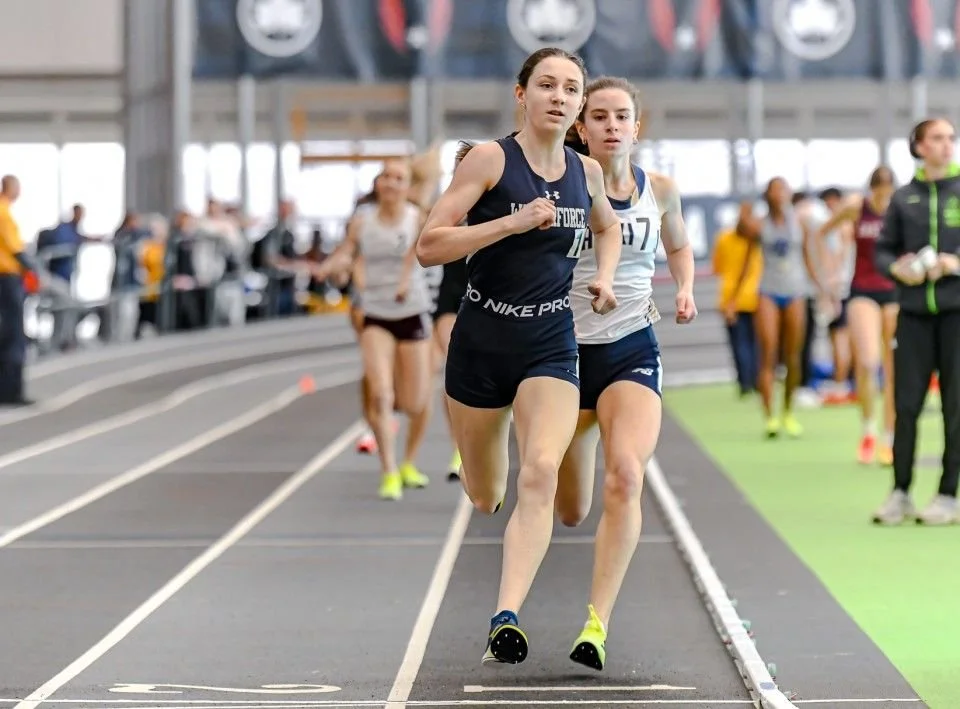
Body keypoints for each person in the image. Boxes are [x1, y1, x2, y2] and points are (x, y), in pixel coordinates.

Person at [416, 47, 622, 664]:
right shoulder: (489, 159)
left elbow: (606, 226)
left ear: (579, 104)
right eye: (547, 85)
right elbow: (429, 246)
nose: (559, 97)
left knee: (539, 471)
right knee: (486, 495)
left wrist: (604, 275)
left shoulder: (586, 172)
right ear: (522, 94)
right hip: (482, 341)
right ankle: (483, 480)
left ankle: (504, 617)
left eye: (571, 88)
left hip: (549, 339)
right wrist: (510, 223)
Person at [553, 76, 696, 671]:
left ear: (637, 127)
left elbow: (678, 245)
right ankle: (579, 438)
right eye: (600, 116)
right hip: (561, 354)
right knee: (570, 510)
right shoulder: (562, 185)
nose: (612, 125)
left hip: (631, 346)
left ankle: (597, 624)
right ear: (581, 128)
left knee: (627, 477)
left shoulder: (660, 189)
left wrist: (684, 288)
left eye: (621, 116)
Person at [317, 159, 433, 499]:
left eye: (398, 178)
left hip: (411, 311)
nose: (391, 183)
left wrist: (406, 280)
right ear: (377, 183)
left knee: (415, 401)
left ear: (408, 187)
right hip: (375, 315)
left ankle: (409, 462)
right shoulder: (362, 222)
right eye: (385, 176)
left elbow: (425, 252)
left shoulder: (417, 218)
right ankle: (389, 471)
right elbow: (346, 253)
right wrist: (335, 267)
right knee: (381, 394)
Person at [873, 118, 960, 526]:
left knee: (955, 408)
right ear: (920, 147)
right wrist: (898, 269)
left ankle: (947, 495)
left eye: (950, 138)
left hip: (956, 317)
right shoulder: (903, 198)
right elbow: (882, 251)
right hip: (912, 318)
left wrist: (953, 264)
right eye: (938, 138)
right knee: (906, 406)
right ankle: (901, 492)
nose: (947, 145)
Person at [815, 167, 897, 465]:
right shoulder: (855, 207)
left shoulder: (900, 209)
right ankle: (868, 430)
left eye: (888, 195)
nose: (883, 200)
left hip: (894, 291)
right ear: (871, 190)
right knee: (868, 361)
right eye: (879, 194)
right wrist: (829, 272)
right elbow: (823, 233)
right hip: (863, 289)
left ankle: (889, 438)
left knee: (893, 368)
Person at [736, 177, 825, 438]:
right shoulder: (760, 224)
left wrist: (821, 287)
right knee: (768, 353)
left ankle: (787, 411)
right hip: (768, 291)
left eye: (784, 189)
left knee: (793, 356)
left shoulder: (799, 223)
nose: (781, 194)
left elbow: (807, 257)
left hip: (796, 290)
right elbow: (745, 252)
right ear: (768, 195)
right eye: (776, 190)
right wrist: (733, 297)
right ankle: (769, 417)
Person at [712, 220, 762, 398]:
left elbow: (717, 267)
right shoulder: (756, 240)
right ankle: (757, 380)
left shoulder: (723, 238)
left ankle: (745, 382)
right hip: (756, 296)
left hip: (731, 298)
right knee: (755, 342)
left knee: (739, 343)